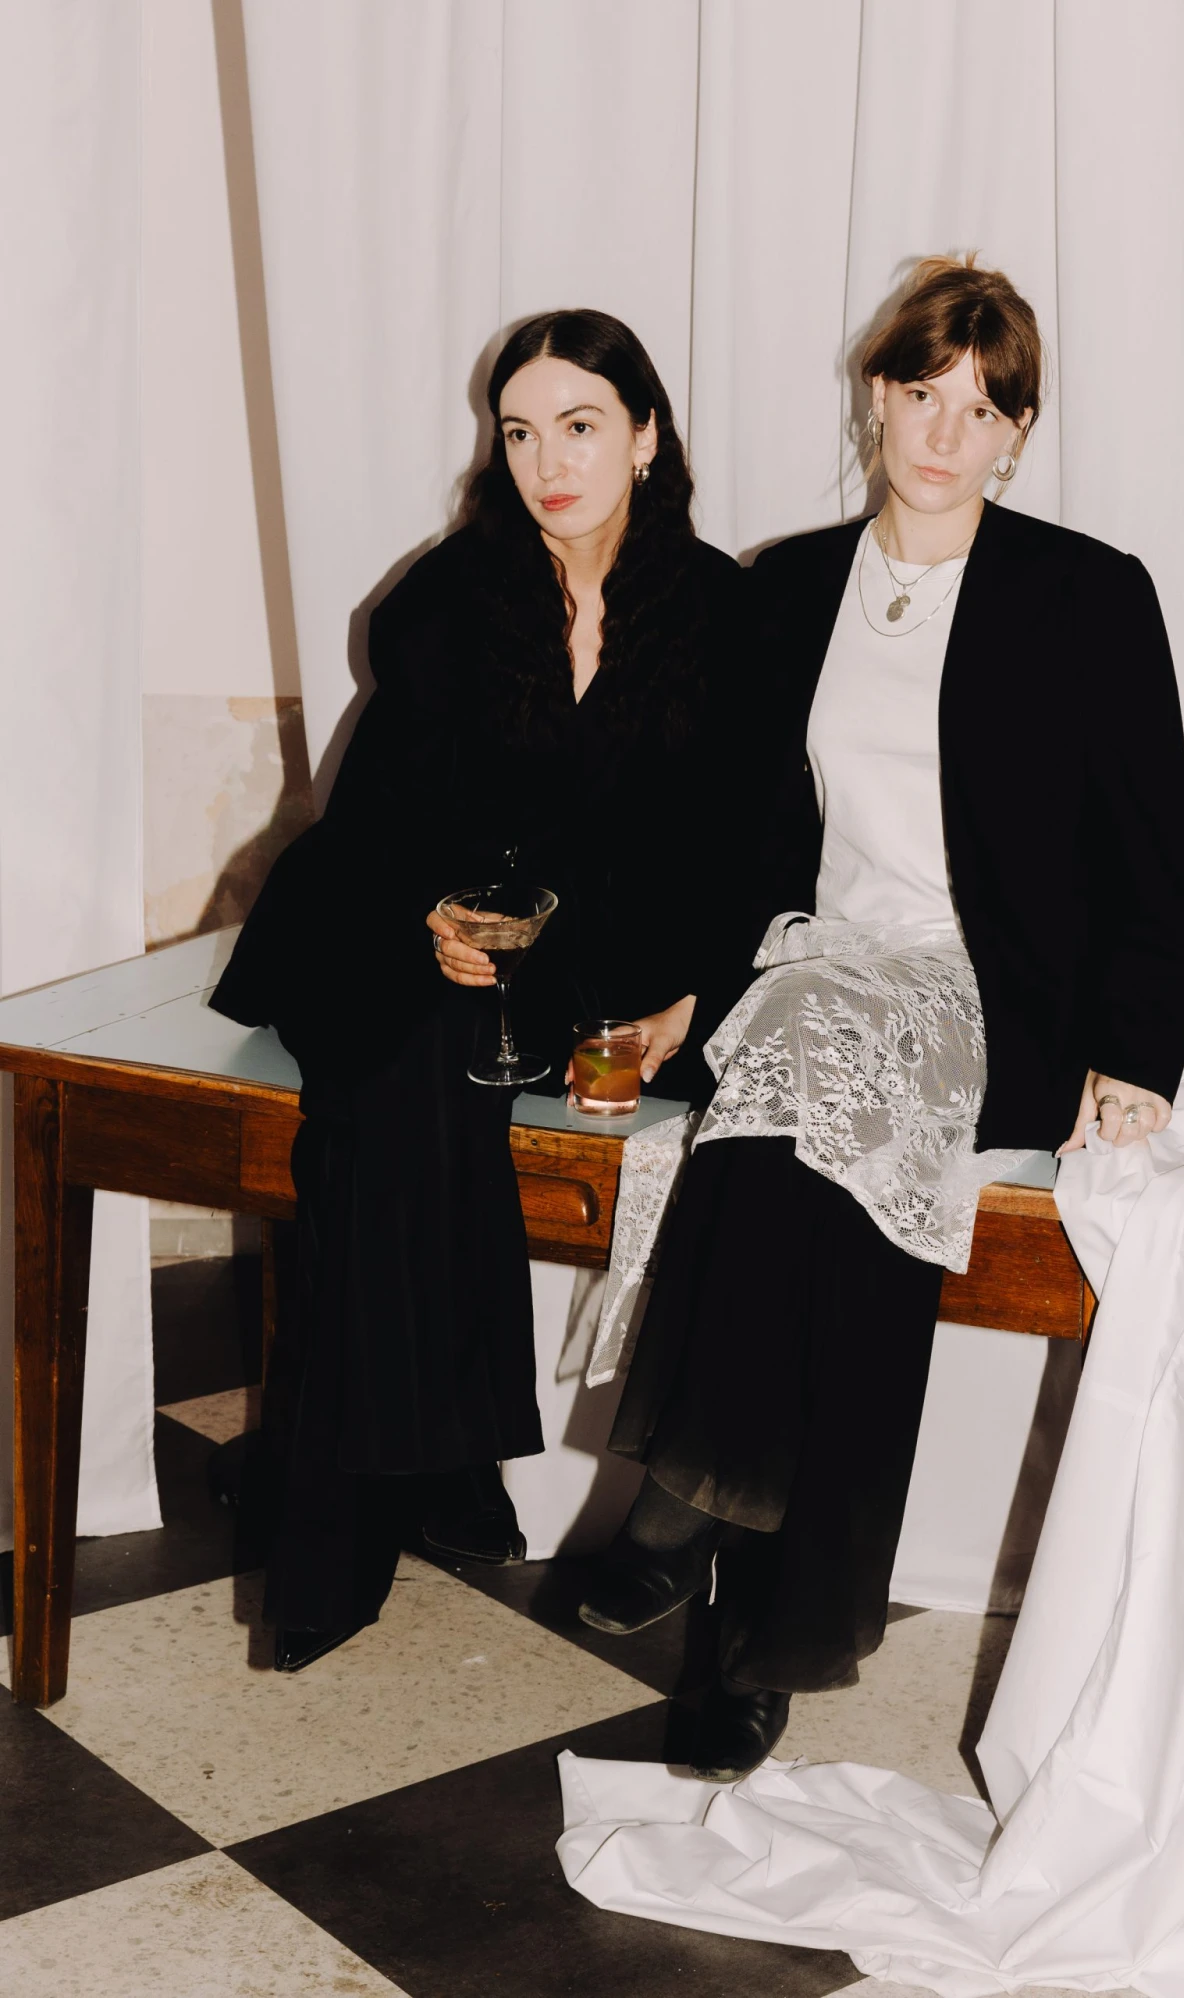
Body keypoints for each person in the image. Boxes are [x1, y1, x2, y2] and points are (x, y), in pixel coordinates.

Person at [578, 255, 1184, 1780]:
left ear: (1018, 433)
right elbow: (740, 844)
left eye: (981, 410)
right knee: (807, 1177)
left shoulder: (1087, 594)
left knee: (795, 1071)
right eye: (922, 394)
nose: (944, 433)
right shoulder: (790, 587)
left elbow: (1151, 851)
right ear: (876, 395)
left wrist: (1138, 1052)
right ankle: (758, 1638)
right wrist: (691, 994)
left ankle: (682, 1503)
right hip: (814, 965)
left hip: (988, 994)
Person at [211, 310, 746, 1672]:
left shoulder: (718, 610)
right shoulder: (456, 595)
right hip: (402, 917)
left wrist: (671, 985)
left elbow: (738, 844)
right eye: (520, 433)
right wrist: (427, 919)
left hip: (613, 948)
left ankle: (429, 1462)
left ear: (645, 435)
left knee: (451, 1052)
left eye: (580, 426)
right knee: (405, 1059)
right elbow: (380, 818)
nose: (548, 463)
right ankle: (366, 1511)